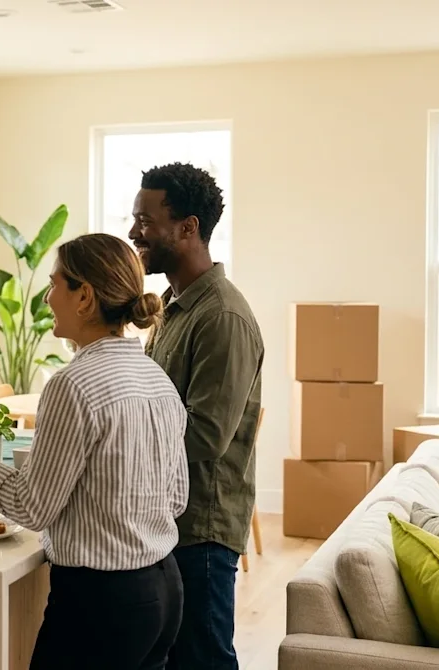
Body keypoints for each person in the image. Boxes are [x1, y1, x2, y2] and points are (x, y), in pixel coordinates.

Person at [0, 233, 188, 670]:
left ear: (84, 296)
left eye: (54, 286)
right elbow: (177, 497)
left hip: (102, 602)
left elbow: (31, 508)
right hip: (164, 589)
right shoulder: (155, 377)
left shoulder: (73, 384)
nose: (48, 298)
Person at [128, 162, 264, 670]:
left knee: (203, 660)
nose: (133, 231)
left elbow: (203, 436)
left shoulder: (222, 317)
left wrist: (121, 447)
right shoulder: (172, 306)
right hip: (166, 522)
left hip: (200, 531)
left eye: (146, 220)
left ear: (188, 228)